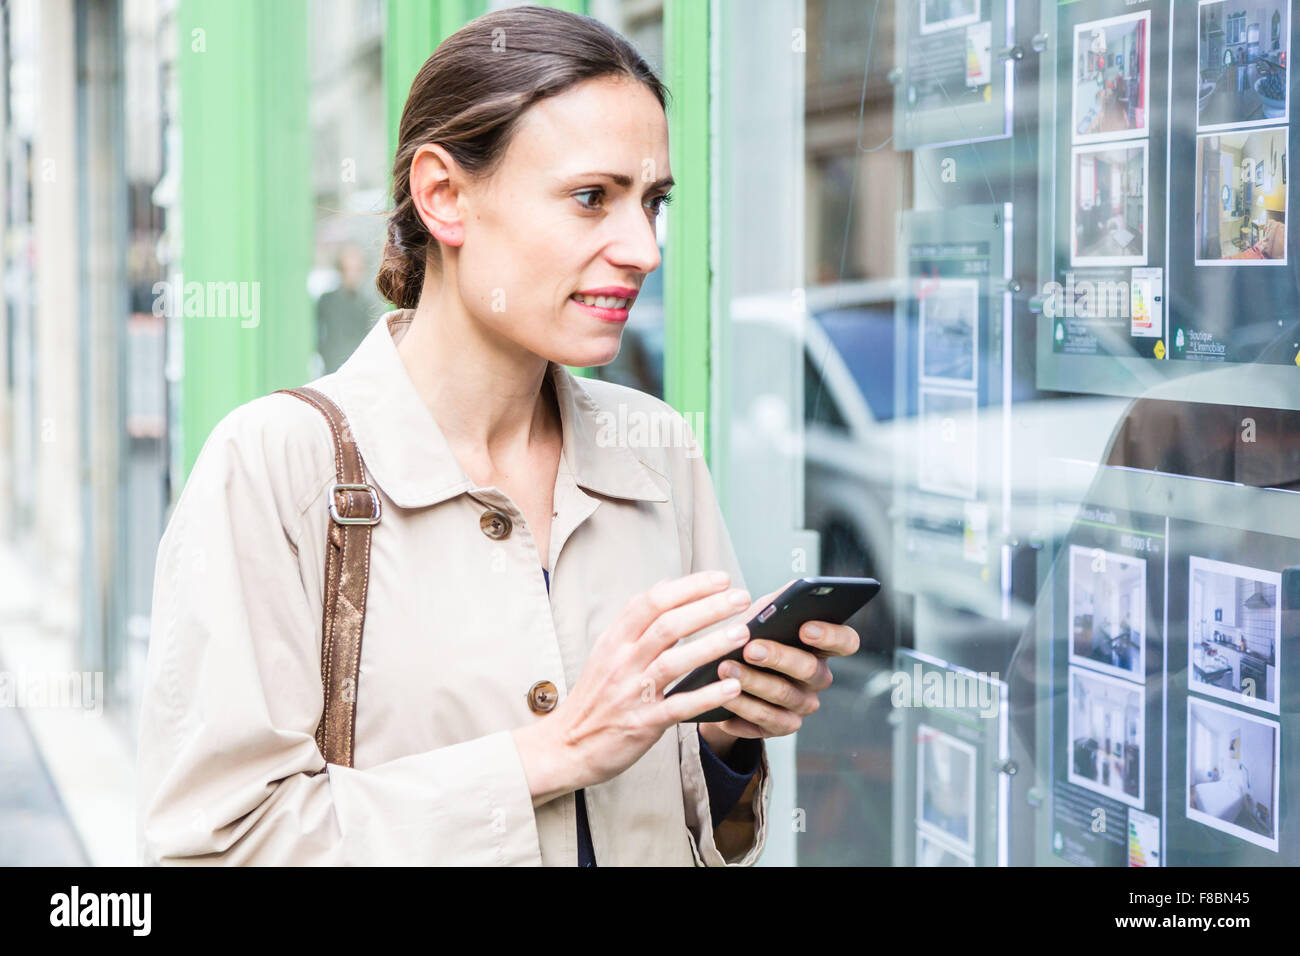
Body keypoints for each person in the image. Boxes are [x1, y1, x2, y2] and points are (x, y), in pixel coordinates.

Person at [135, 4, 860, 866]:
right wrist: (554, 755)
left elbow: (700, 827)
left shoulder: (657, 446)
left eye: (652, 202)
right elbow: (215, 845)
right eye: (592, 198)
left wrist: (729, 738)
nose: (642, 248)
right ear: (444, 195)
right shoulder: (273, 467)